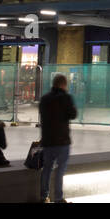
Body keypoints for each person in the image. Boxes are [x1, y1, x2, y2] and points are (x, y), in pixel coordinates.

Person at [38, 74, 77, 203]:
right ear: (63, 85)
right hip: (62, 141)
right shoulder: (66, 98)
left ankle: (44, 197)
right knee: (60, 170)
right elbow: (73, 114)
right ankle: (58, 198)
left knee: (47, 169)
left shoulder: (44, 99)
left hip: (48, 140)